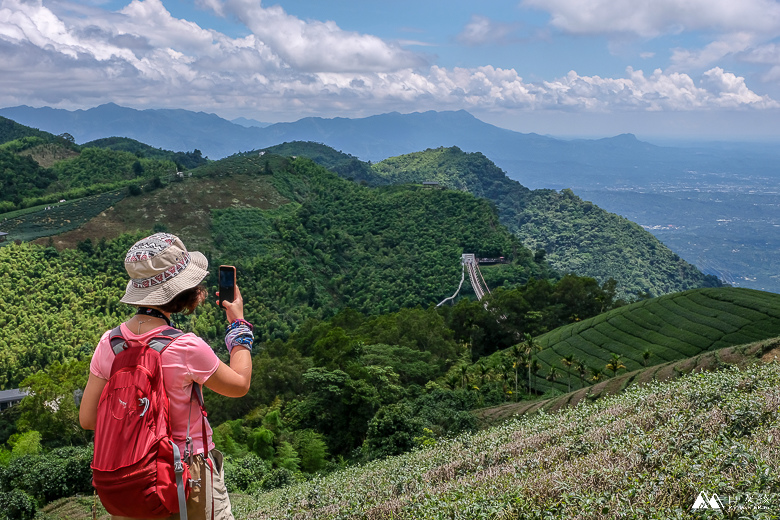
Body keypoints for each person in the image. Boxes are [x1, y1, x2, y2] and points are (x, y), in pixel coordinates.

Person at [79, 233, 252, 520]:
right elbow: (240, 385)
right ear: (182, 290)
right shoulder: (186, 346)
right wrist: (239, 326)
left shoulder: (108, 344)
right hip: (186, 474)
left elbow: (87, 419)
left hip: (131, 477)